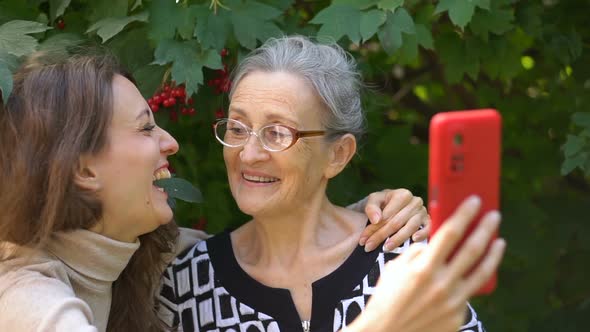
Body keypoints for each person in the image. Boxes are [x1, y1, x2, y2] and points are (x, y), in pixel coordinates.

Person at [0, 51, 428, 332]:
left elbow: (299, 236)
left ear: (338, 155)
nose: (171, 143)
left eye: (277, 132)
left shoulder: (159, 257)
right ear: (83, 169)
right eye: (146, 127)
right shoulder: (25, 300)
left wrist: (372, 225)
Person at [159, 36, 504, 332]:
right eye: (237, 128)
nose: (248, 155)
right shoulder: (188, 282)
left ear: (338, 155)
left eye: (277, 133)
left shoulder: (402, 263)